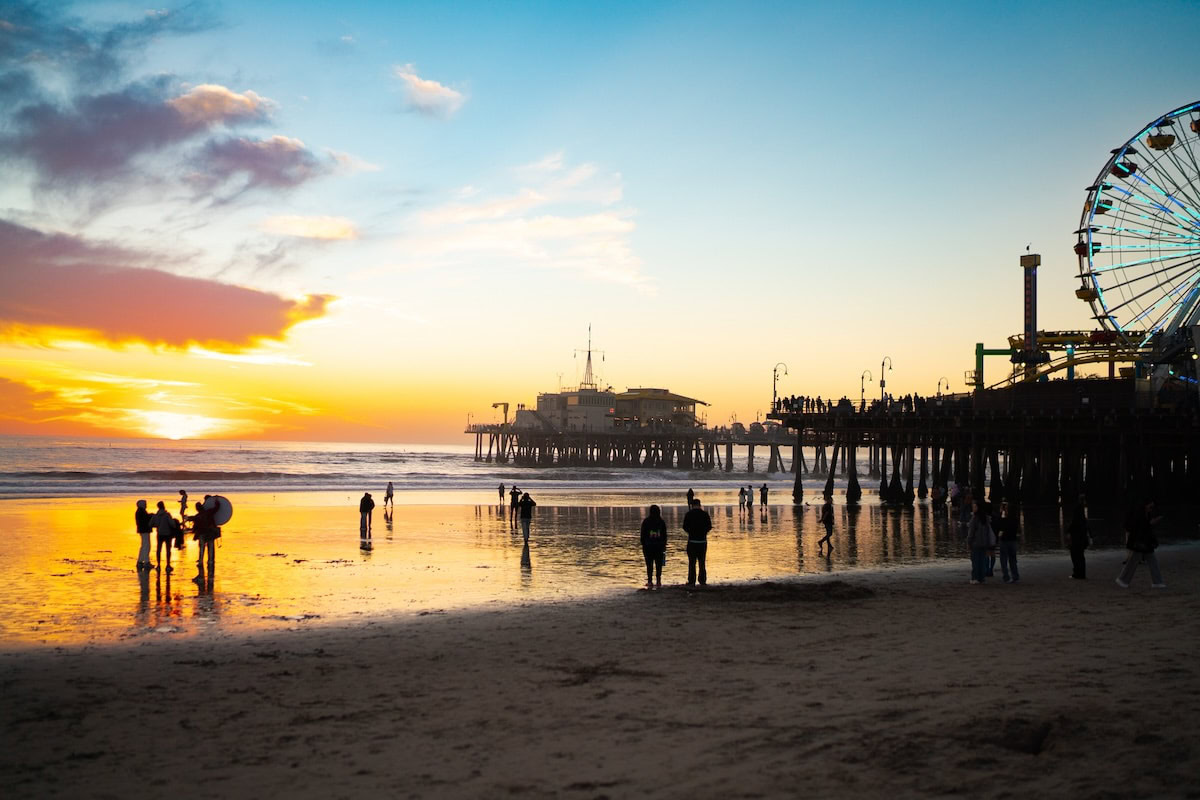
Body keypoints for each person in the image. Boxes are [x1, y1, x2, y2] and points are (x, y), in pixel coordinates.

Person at [1116, 499, 1166, 589]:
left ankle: (1157, 582)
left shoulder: (1145, 514)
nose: (1151, 507)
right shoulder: (1140, 515)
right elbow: (1140, 528)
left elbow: (1144, 528)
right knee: (1135, 562)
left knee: (1148, 561)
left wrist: (1150, 523)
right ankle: (1123, 580)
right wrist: (1150, 523)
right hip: (1140, 542)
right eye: (1150, 505)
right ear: (1145, 505)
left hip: (1144, 542)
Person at [682, 499, 713, 587]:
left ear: (692, 505)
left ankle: (691, 580)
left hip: (692, 541)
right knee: (702, 561)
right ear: (700, 505)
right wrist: (703, 532)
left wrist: (691, 532)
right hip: (702, 541)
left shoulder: (689, 514)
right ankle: (702, 580)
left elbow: (685, 527)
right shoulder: (705, 514)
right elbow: (709, 526)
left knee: (692, 562)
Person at [965, 500, 995, 584]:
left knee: (975, 561)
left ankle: (975, 578)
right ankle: (981, 578)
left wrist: (968, 542)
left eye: (974, 507)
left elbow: (971, 533)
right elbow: (988, 532)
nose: (973, 508)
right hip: (984, 543)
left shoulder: (974, 518)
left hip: (976, 543)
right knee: (982, 561)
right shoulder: (986, 518)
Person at [639, 504, 668, 589]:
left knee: (649, 565)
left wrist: (643, 544)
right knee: (659, 565)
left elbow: (643, 535)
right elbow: (664, 535)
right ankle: (658, 581)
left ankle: (650, 581)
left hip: (648, 547)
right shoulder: (661, 522)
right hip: (659, 547)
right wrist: (664, 545)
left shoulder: (646, 521)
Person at [191, 500, 220, 580]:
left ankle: (200, 562)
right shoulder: (209, 512)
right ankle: (210, 561)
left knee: (201, 548)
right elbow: (217, 508)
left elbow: (195, 526)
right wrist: (216, 500)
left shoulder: (197, 516)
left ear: (197, 509)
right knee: (210, 548)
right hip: (210, 532)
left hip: (202, 533)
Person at [994, 501, 1020, 583]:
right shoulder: (1015, 519)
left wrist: (1001, 512)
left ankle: (1006, 577)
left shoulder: (1004, 519)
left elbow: (998, 524)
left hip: (1005, 541)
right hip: (1013, 541)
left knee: (1004, 560)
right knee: (1013, 560)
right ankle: (1015, 576)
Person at [152, 501, 177, 573]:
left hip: (159, 534)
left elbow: (150, 524)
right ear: (163, 506)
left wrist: (157, 526)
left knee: (158, 550)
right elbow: (172, 524)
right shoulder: (167, 515)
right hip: (167, 534)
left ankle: (159, 565)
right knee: (168, 550)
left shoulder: (155, 515)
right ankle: (168, 565)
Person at [1067, 502, 1090, 580]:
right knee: (1081, 557)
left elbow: (1070, 529)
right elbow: (1088, 530)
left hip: (1076, 541)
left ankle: (1077, 574)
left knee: (1075, 557)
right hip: (1082, 541)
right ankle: (1082, 574)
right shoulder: (1084, 520)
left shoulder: (1075, 520)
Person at [134, 499, 153, 571]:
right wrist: (151, 515)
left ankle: (140, 561)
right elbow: (146, 519)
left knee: (144, 546)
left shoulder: (140, 511)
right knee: (146, 546)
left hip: (143, 530)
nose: (146, 505)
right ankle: (146, 562)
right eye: (145, 504)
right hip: (144, 530)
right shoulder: (141, 511)